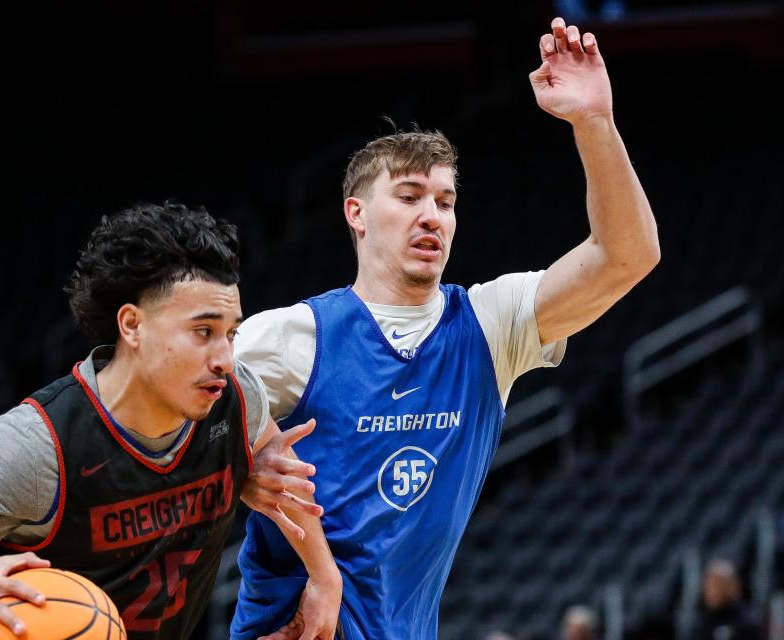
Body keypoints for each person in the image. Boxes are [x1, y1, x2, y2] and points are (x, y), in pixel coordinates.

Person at [230, 17, 660, 640]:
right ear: (356, 213)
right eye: (408, 196)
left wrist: (594, 122)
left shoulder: (491, 324)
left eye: (445, 201)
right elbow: (168, 417)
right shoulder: (290, 335)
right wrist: (241, 470)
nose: (431, 214)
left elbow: (629, 255)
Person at [0, 202, 342, 640]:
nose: (225, 359)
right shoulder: (36, 445)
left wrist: (324, 577)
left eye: (230, 334)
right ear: (132, 325)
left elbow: (281, 469)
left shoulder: (236, 402)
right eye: (203, 331)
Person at [691, 559, 762, 640]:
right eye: (710, 586)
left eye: (718, 585)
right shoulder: (700, 622)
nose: (713, 592)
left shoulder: (747, 623)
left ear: (733, 587)